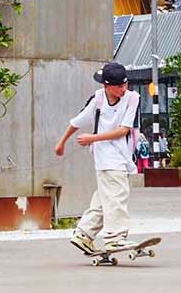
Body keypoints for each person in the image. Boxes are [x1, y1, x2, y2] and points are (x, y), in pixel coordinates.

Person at [56, 61, 142, 255]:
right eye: (119, 86)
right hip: (108, 158)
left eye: (125, 84)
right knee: (117, 196)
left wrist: (92, 138)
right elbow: (77, 122)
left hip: (120, 155)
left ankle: (84, 234)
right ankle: (115, 238)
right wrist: (61, 142)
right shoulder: (98, 99)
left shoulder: (132, 99)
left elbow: (123, 130)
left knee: (105, 199)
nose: (123, 89)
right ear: (106, 85)